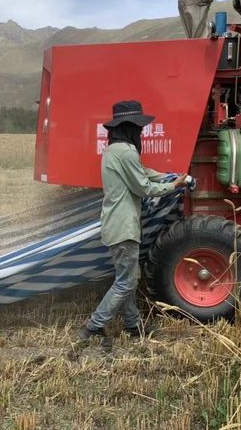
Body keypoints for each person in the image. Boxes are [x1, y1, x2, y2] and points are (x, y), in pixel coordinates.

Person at [79, 100, 188, 341]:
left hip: (113, 224)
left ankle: (133, 325)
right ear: (129, 127)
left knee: (126, 278)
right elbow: (143, 187)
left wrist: (168, 177)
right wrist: (172, 186)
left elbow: (143, 172)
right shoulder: (127, 152)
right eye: (138, 128)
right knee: (126, 282)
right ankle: (93, 326)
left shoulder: (113, 151)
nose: (141, 132)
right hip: (124, 226)